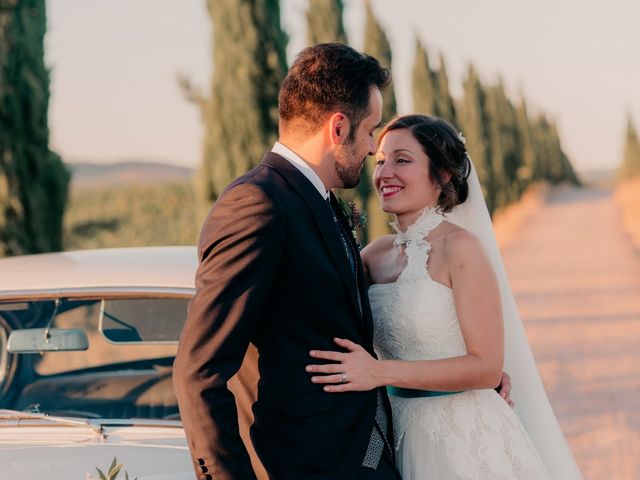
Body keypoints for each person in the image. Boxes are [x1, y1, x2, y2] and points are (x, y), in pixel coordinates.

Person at [307, 114, 583, 479]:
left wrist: (378, 372)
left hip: (462, 436)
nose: (385, 172)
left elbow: (486, 367)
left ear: (442, 176)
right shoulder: (373, 256)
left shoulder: (462, 249)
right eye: (381, 161)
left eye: (402, 160)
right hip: (397, 433)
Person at [173, 43, 401, 480]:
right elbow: (198, 371)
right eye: (371, 130)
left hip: (359, 459)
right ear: (338, 127)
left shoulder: (321, 201)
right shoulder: (258, 204)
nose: (374, 147)